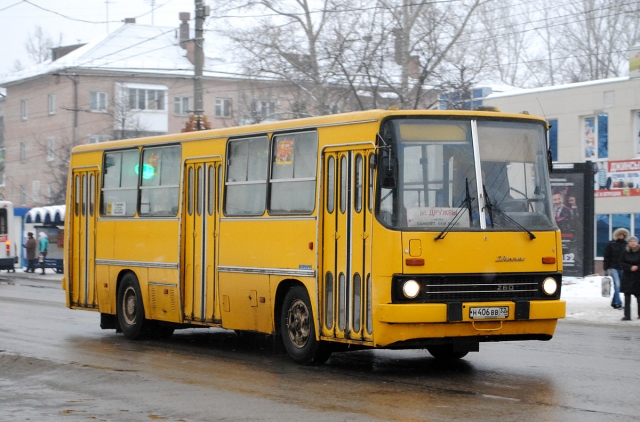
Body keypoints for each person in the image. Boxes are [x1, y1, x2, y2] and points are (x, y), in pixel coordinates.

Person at [603, 228, 629, 309]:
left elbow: (628, 257)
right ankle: (618, 303)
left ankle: (614, 302)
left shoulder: (626, 244)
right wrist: (606, 268)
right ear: (616, 235)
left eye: (622, 234)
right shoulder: (611, 244)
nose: (621, 236)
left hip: (622, 267)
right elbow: (607, 256)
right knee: (617, 284)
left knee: (620, 285)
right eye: (619, 234)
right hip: (613, 266)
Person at [619, 235, 640, 321]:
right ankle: (627, 315)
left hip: (638, 277)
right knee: (627, 297)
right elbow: (620, 262)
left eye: (634, 241)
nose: (632, 243)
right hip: (627, 276)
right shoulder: (625, 252)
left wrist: (637, 267)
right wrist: (629, 267)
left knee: (639, 297)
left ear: (637, 242)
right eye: (631, 241)